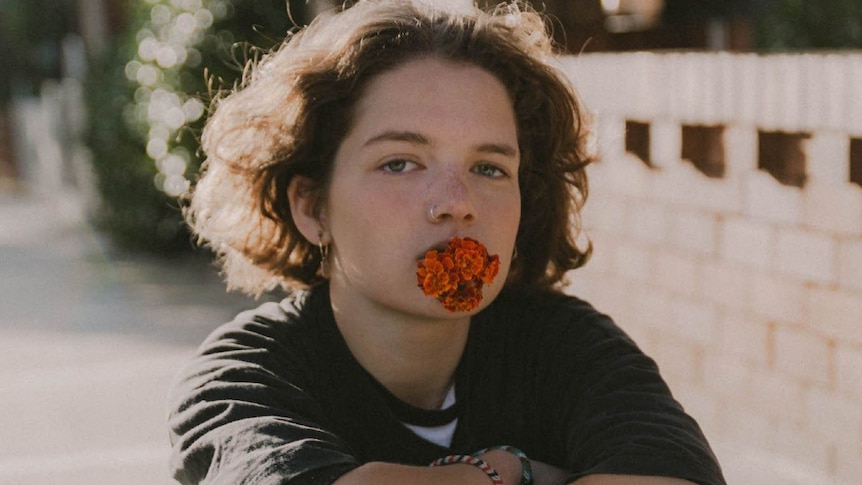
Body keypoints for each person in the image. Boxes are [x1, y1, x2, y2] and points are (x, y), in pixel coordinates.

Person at [167, 1, 726, 484]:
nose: (457, 201)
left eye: (489, 167)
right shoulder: (242, 378)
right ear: (312, 207)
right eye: (401, 163)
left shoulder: (568, 346)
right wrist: (508, 473)